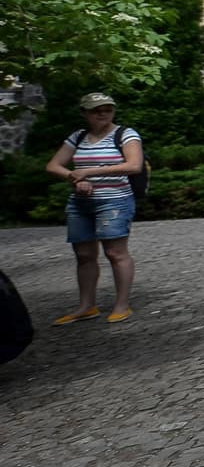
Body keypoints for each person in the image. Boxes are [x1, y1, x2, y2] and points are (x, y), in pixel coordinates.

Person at [43, 92, 142, 324]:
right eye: (96, 110)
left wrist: (89, 172)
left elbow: (134, 165)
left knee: (115, 253)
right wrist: (74, 178)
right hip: (80, 203)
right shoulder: (78, 137)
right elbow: (53, 165)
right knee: (84, 255)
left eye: (107, 109)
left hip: (114, 200)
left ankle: (122, 305)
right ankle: (86, 306)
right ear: (84, 113)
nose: (102, 114)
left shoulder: (125, 134)